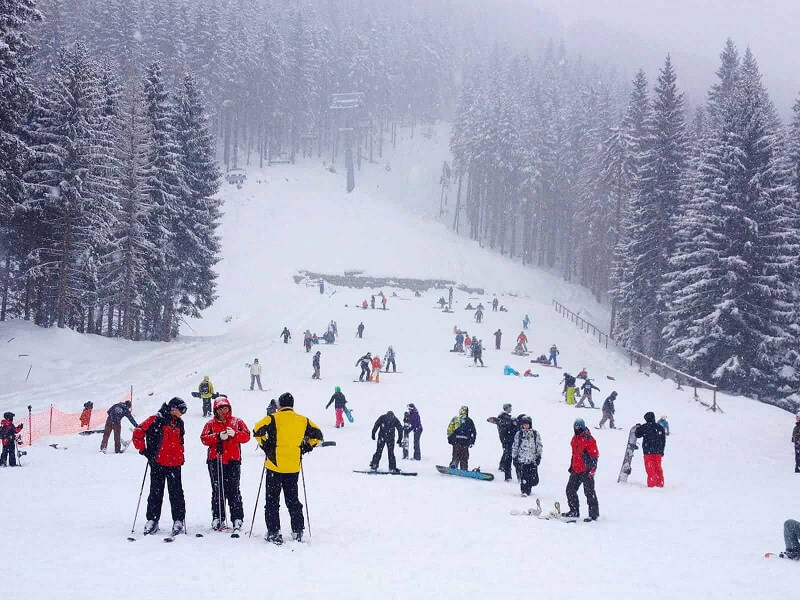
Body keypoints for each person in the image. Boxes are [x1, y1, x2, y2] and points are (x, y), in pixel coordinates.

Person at [253, 392, 323, 544]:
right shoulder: (303, 420)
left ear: (279, 405)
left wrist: (266, 446)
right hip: (293, 466)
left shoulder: (272, 418)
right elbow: (318, 436)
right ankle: (297, 530)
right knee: (292, 500)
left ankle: (273, 531)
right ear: (292, 405)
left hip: (274, 464)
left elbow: (257, 430)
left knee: (272, 500)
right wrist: (304, 448)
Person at [132, 398, 188, 536]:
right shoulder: (155, 419)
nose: (183, 413)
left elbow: (180, 442)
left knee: (176, 494)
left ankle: (178, 520)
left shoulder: (179, 423)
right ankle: (152, 520)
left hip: (175, 463)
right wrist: (144, 450)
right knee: (156, 493)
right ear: (173, 408)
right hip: (158, 462)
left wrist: (180, 458)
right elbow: (138, 432)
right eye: (182, 410)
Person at [199, 397, 250, 532]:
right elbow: (204, 439)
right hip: (215, 460)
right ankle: (218, 516)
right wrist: (217, 436)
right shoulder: (210, 424)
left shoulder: (237, 421)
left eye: (225, 407)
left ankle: (237, 517)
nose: (223, 410)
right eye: (220, 408)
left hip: (233, 459)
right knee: (218, 489)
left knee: (234, 489)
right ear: (216, 409)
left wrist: (235, 434)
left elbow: (247, 436)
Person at [563, 418, 599, 521]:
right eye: (575, 427)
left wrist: (592, 469)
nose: (576, 429)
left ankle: (593, 515)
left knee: (589, 492)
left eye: (578, 427)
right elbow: (574, 454)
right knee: (570, 490)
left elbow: (594, 455)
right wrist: (572, 466)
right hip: (576, 469)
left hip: (586, 470)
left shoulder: (589, 439)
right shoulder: (574, 439)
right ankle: (574, 511)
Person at [512, 415, 542, 497]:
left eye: (527, 424)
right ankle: (524, 491)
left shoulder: (535, 434)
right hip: (522, 460)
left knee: (534, 479)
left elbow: (539, 445)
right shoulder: (519, 434)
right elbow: (515, 446)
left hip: (532, 460)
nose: (525, 426)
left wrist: (538, 456)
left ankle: (529, 488)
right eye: (524, 424)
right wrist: (514, 457)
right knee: (524, 477)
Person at [635, 412, 666, 487]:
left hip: (648, 451)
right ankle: (660, 483)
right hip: (658, 451)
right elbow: (663, 440)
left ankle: (652, 484)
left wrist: (638, 427)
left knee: (650, 468)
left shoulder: (645, 427)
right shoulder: (660, 427)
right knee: (658, 467)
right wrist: (662, 451)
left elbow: (637, 434)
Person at [494, 404, 517, 482]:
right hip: (506, 438)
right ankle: (503, 466)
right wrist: (512, 423)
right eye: (510, 408)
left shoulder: (505, 417)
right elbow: (505, 427)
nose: (511, 409)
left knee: (506, 452)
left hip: (506, 438)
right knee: (507, 452)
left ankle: (503, 466)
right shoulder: (504, 417)